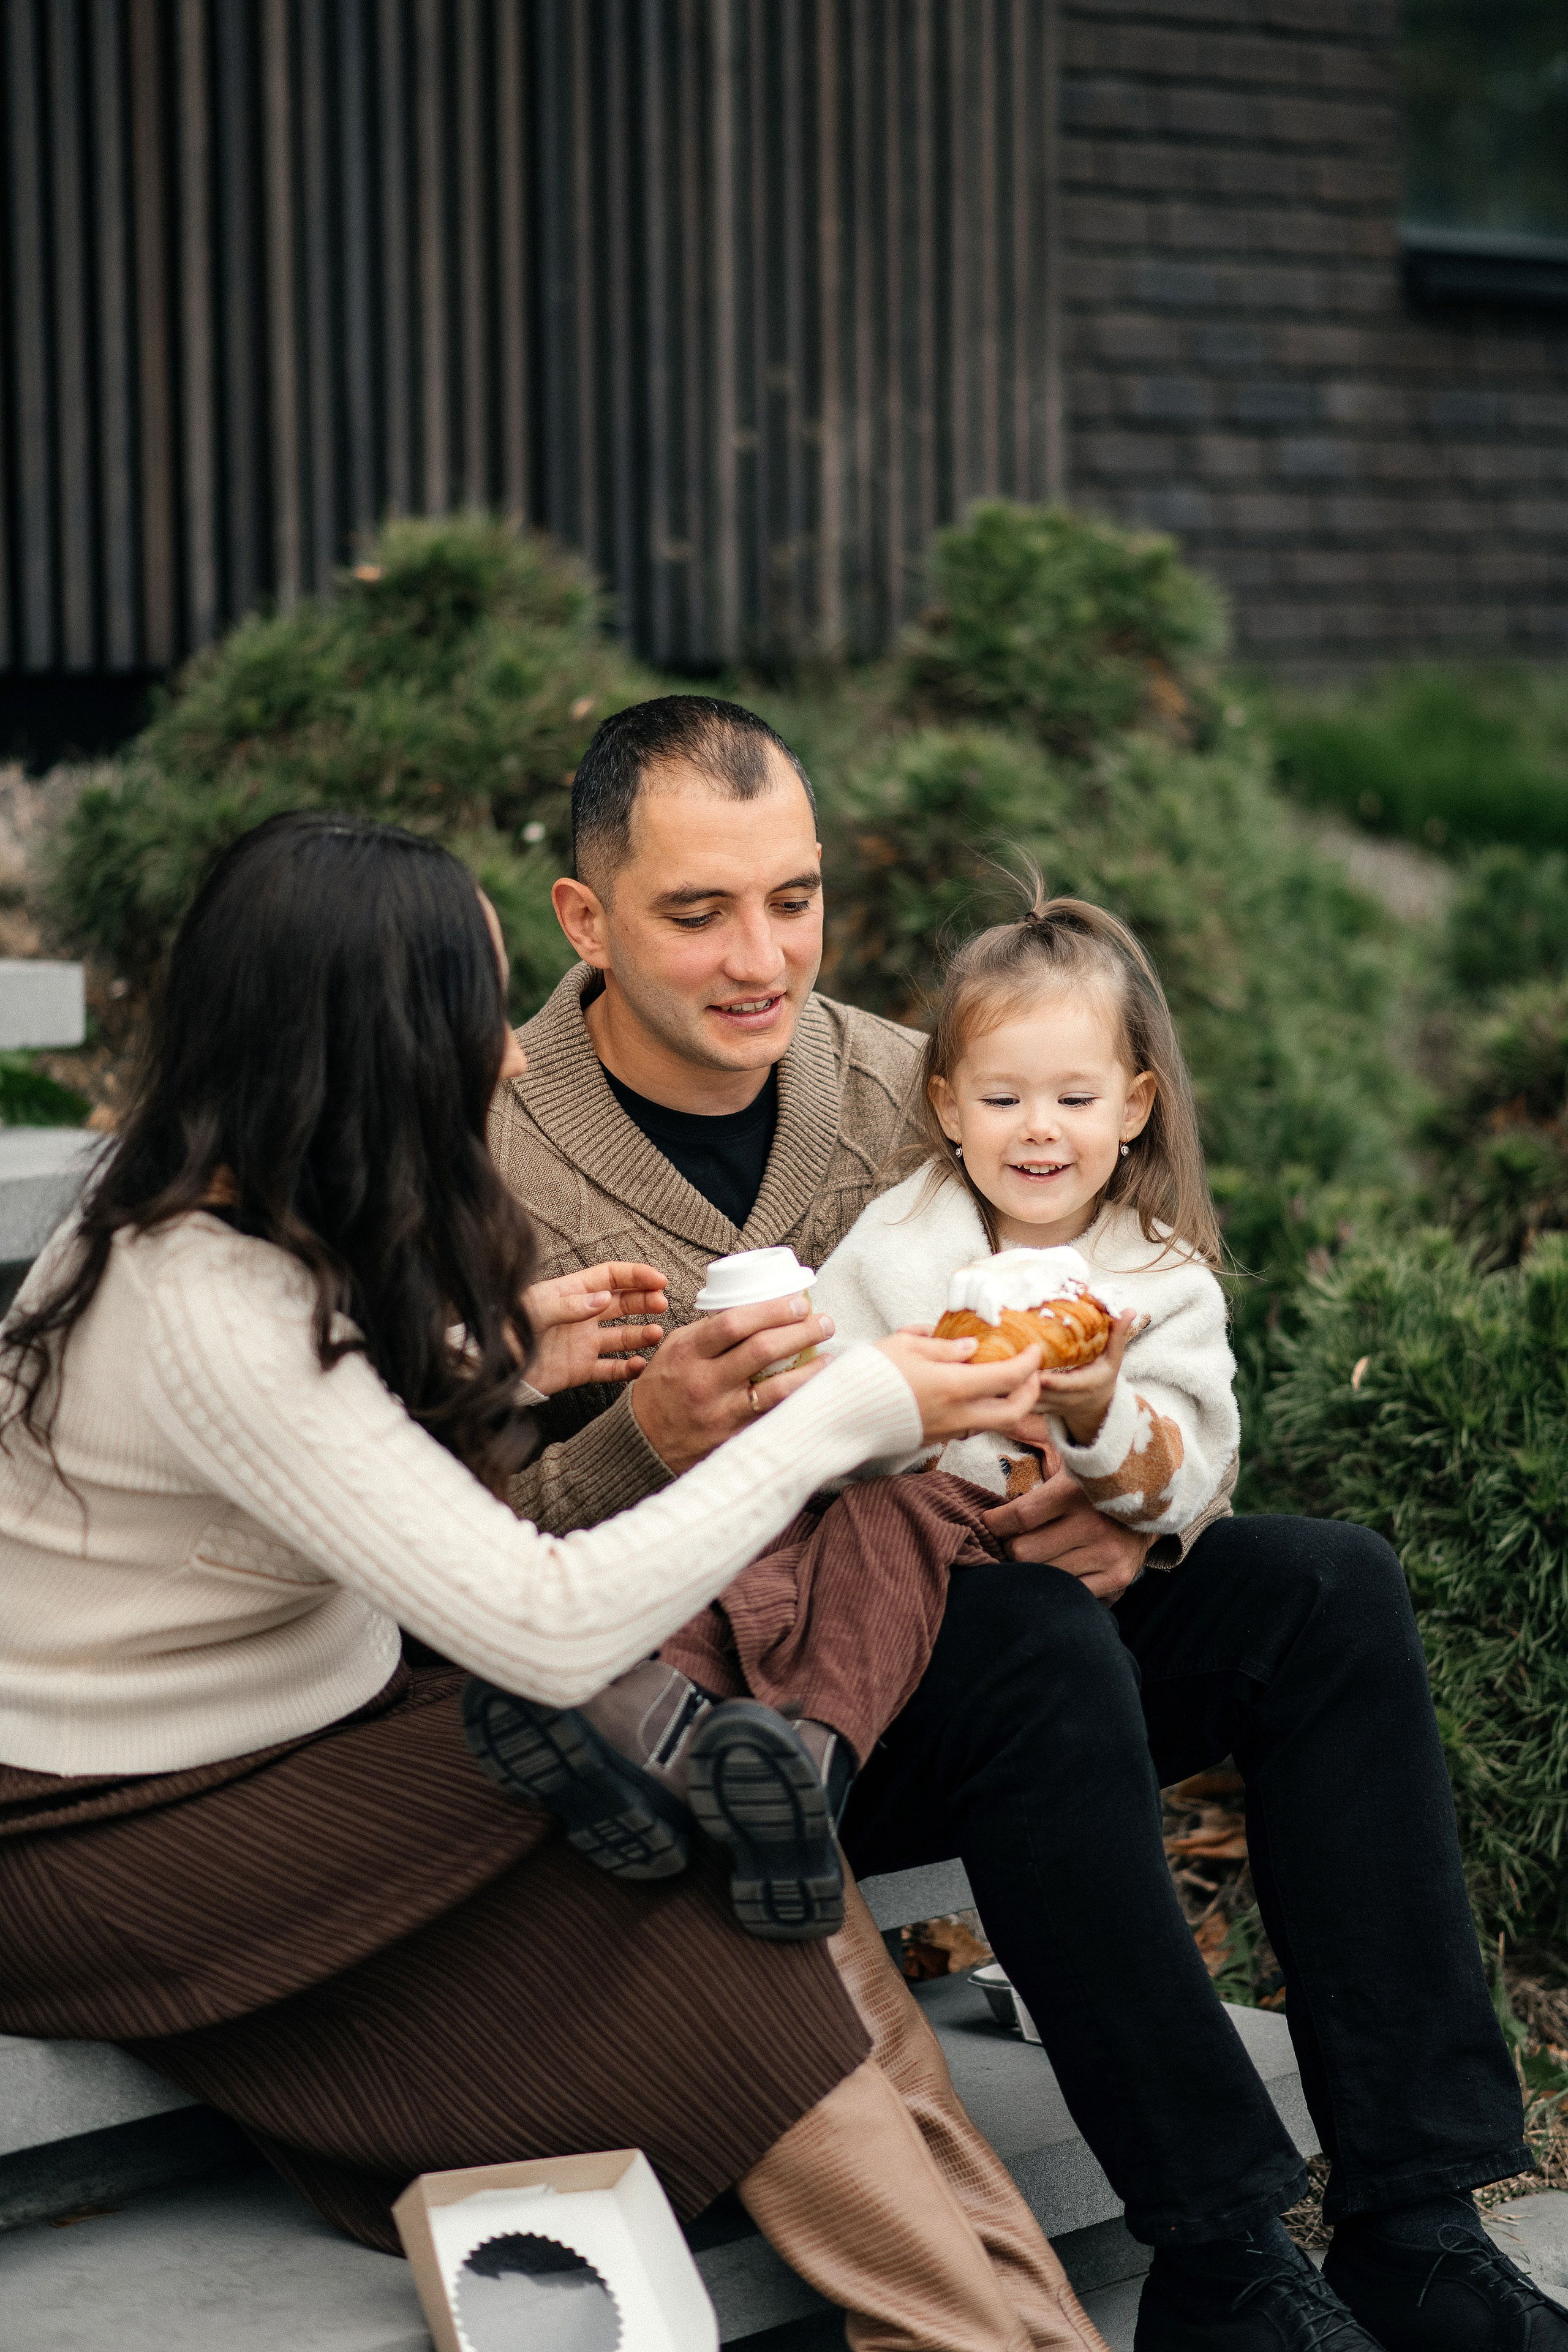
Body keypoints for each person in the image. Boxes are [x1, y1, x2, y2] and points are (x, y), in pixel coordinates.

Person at [491, 693, 1558, 2352]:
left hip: (998, 1596)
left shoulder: (910, 1079)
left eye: (796, 897)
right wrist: (639, 1436)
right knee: (1038, 1648)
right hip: (726, 1714)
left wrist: (1136, 1522)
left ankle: (1416, 2218)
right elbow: (449, 1537)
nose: (760, 957)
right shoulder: (492, 1150)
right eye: (697, 913)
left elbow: (1110, 1289)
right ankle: (1216, 2247)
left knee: (1325, 1590)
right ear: (587, 916)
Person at [0, 810, 1113, 2352]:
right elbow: (538, 1617)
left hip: (309, 1733)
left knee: (722, 1830)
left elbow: (278, 1471)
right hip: (106, 1826)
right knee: (704, 1876)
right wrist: (857, 1410)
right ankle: (978, 2335)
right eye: (480, 1017)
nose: (515, 1060)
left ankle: (1003, 2334)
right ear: (377, 1041)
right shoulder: (205, 1296)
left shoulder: (264, 1218)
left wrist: (489, 1361)